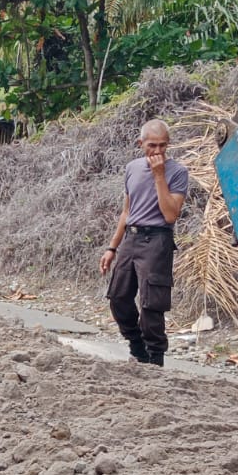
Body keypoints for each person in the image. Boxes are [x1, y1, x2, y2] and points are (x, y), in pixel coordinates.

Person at [99, 119, 188, 366]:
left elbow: (170, 214)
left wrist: (159, 176)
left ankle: (155, 358)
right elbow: (126, 212)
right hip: (132, 237)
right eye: (152, 145)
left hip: (157, 239)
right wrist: (112, 248)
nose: (158, 151)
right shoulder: (132, 168)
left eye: (163, 145)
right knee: (118, 297)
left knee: (152, 304)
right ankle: (137, 347)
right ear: (141, 143)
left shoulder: (178, 172)